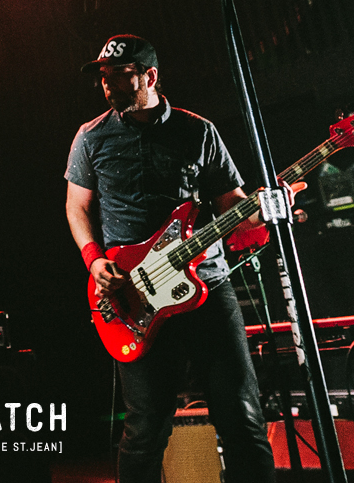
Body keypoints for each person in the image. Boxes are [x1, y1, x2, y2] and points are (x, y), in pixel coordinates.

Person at [65, 34, 279, 483]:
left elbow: (231, 204)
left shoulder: (197, 130)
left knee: (241, 416)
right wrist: (93, 259)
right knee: (146, 427)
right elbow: (77, 206)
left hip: (207, 284)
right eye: (104, 79)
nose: (109, 87)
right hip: (132, 294)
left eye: (120, 77)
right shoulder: (91, 137)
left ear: (150, 76)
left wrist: (262, 209)